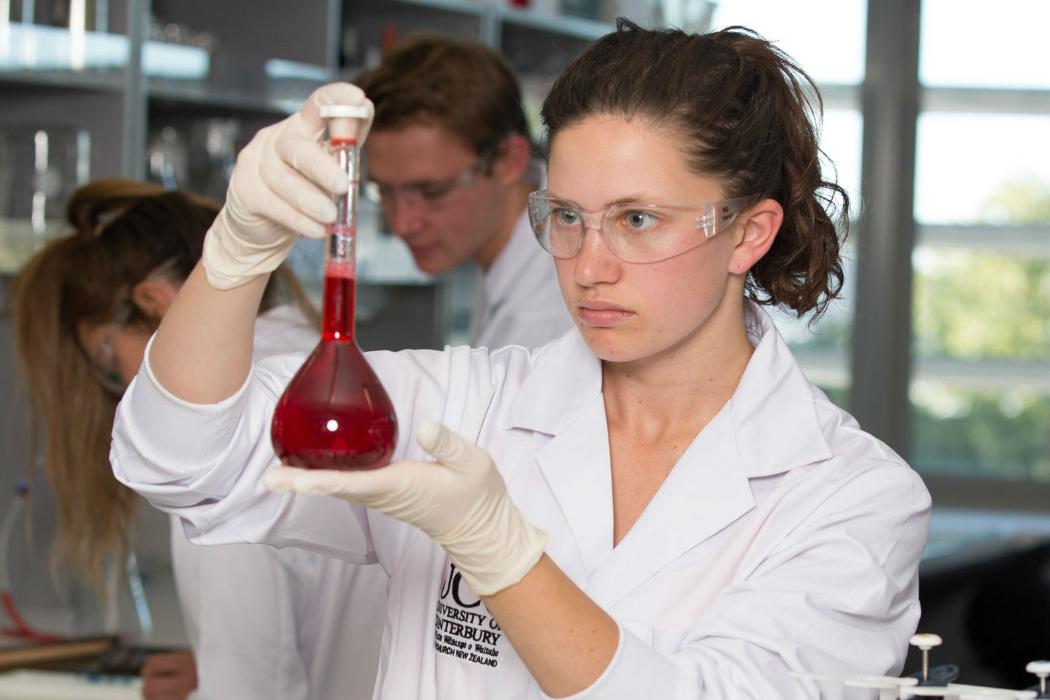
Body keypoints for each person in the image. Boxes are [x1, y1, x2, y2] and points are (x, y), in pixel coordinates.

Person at [111, 21, 932, 699]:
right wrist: (236, 253)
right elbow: (182, 457)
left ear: (748, 233)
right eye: (568, 216)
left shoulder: (851, 499)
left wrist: (499, 552)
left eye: (638, 219)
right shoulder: (468, 403)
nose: (590, 264)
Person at [12, 180, 386, 700]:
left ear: (155, 303)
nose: (117, 387)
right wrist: (210, 665)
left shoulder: (216, 434)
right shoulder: (318, 369)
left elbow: (253, 686)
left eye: (105, 357)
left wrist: (223, 670)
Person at [355, 34, 573, 348]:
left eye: (432, 192)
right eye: (384, 191)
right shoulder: (506, 252)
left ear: (509, 161)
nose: (402, 224)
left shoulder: (545, 317)